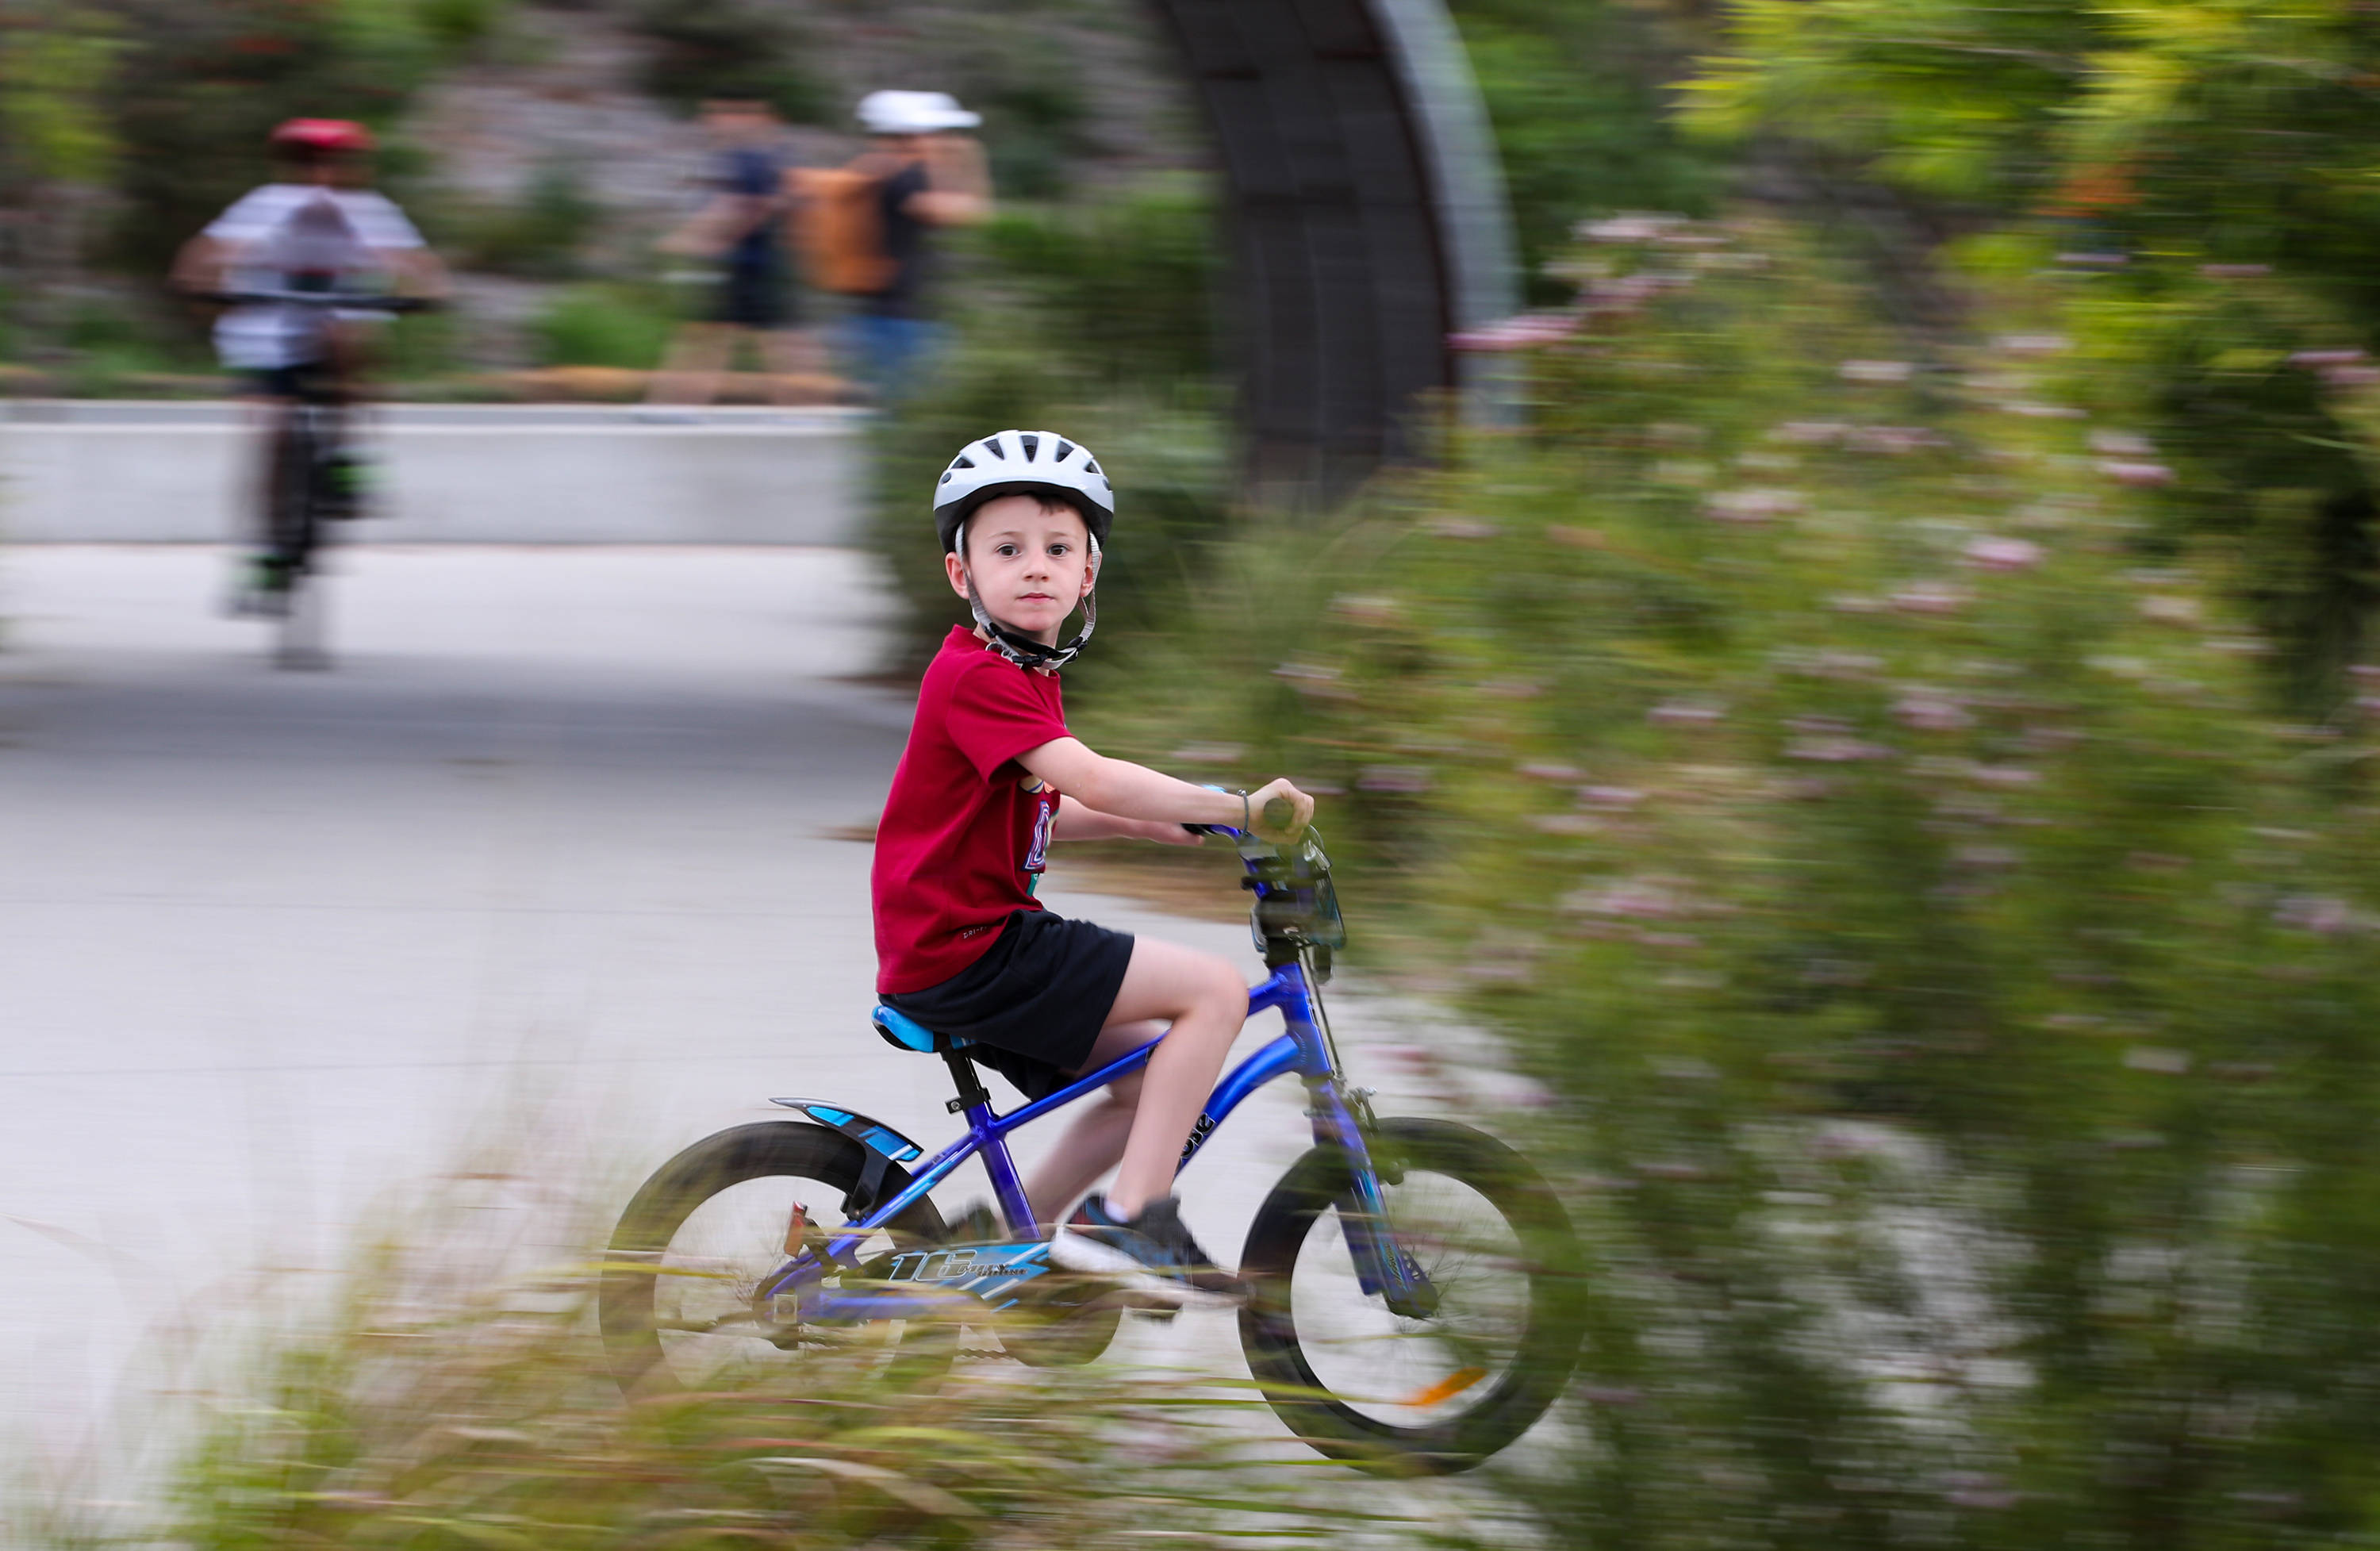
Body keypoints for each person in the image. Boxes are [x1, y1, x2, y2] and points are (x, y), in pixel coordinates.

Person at [870, 428, 1315, 1302]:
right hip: (974, 946)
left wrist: (1145, 830)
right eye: (1007, 550)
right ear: (963, 576)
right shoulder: (979, 675)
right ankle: (1129, 1215)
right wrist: (1235, 806)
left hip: (961, 946)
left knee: (1150, 1076)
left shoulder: (1017, 672)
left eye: (1057, 549)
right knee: (1217, 992)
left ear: (1088, 573)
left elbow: (1038, 808)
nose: (1035, 567)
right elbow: (1090, 772)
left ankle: (1006, 1246)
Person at [171, 118, 447, 612]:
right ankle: (263, 551)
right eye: (305, 162)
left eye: (331, 162)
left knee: (348, 336)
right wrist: (197, 284)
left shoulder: (368, 210)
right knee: (269, 434)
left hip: (334, 329)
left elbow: (412, 260)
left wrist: (429, 292)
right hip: (268, 329)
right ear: (288, 166)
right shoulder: (266, 204)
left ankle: (349, 458)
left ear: (348, 169)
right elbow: (209, 251)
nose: (318, 173)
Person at [646, 98, 825, 408]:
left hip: (752, 265)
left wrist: (698, 240)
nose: (714, 122)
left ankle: (676, 403)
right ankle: (677, 401)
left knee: (760, 338)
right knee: (731, 335)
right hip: (751, 264)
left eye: (723, 114)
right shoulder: (756, 158)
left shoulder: (750, 159)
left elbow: (743, 207)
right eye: (712, 114)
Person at [839, 90, 992, 397]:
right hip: (901, 318)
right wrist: (973, 161)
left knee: (898, 409)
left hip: (883, 313)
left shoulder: (873, 169)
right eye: (939, 133)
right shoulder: (903, 179)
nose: (945, 140)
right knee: (909, 409)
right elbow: (974, 214)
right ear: (914, 135)